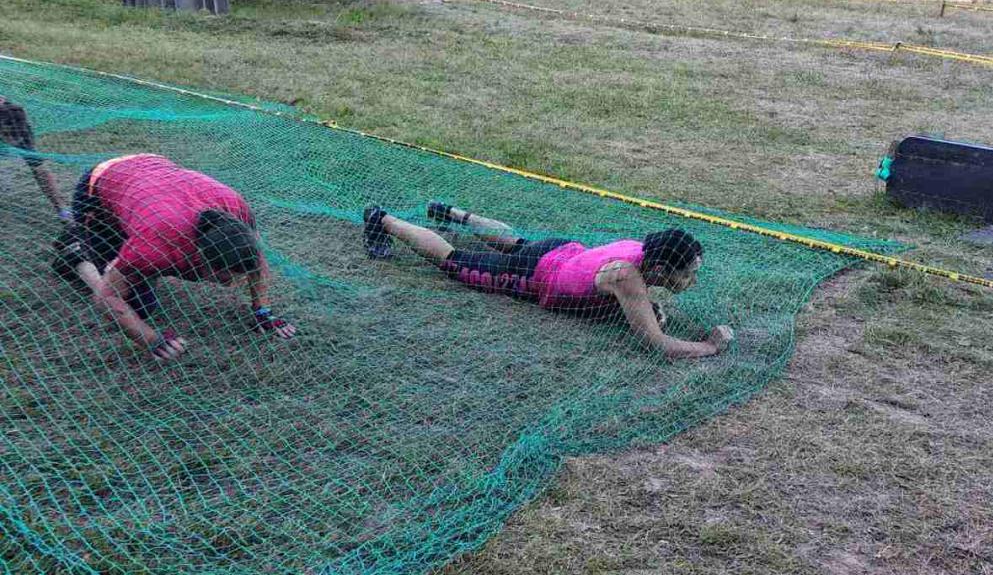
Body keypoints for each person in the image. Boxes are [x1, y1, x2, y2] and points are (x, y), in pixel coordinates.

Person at [362, 202, 734, 360]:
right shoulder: (628, 277)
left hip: (559, 251)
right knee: (455, 262)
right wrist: (709, 347)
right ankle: (383, 220)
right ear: (663, 269)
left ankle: (454, 214)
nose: (693, 280)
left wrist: (645, 306)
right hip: (535, 274)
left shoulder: (642, 249)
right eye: (688, 273)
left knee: (516, 243)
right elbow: (658, 344)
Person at [52, 154, 296, 362]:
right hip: (101, 186)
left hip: (153, 174)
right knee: (138, 306)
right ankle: (76, 255)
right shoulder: (155, 245)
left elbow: (257, 263)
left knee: (137, 270)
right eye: (224, 277)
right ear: (201, 258)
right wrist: (153, 340)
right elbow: (108, 297)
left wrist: (263, 312)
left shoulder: (238, 216)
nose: (232, 283)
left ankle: (114, 254)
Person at [0, 95, 71, 222]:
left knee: (35, 163)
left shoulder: (13, 116)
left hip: (7, 115)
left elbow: (37, 166)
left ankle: (61, 208)